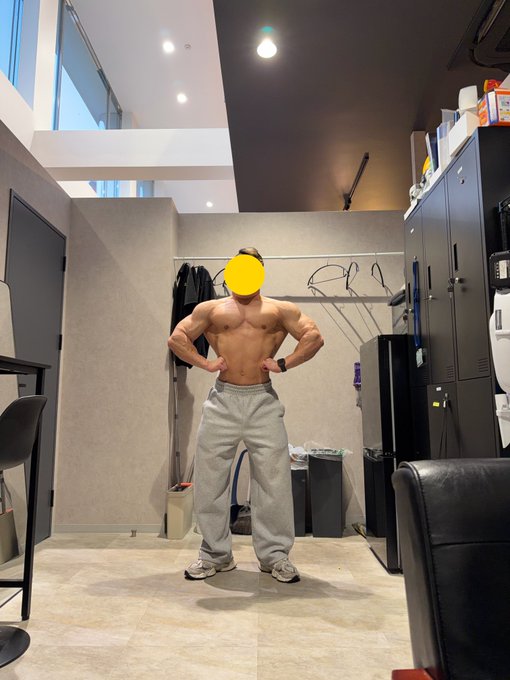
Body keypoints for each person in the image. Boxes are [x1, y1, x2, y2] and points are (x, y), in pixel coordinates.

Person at [167, 247, 324, 583]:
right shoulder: (211, 309)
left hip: (261, 400)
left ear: (260, 270)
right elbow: (178, 337)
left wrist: (283, 363)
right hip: (223, 399)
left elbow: (313, 337)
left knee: (273, 482)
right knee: (210, 480)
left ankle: (275, 556)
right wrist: (206, 363)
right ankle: (215, 555)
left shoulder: (279, 309)